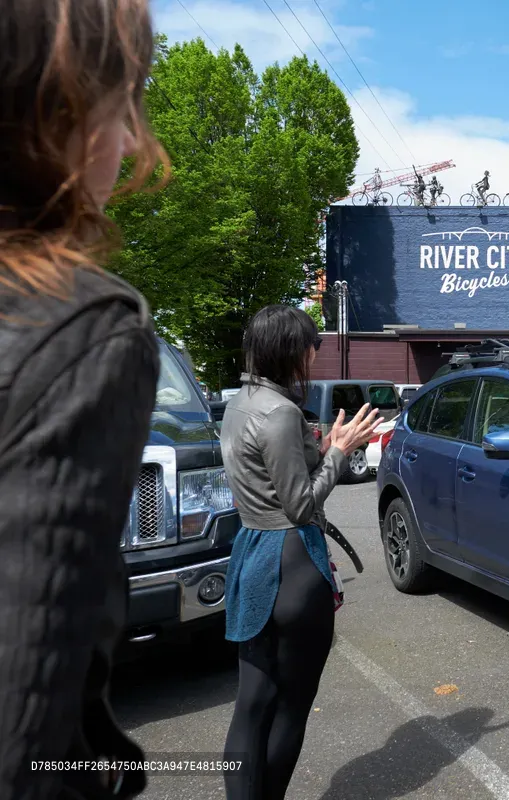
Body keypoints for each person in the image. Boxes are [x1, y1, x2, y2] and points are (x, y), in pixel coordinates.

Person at [0, 1, 169, 797]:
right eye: (122, 101)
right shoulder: (87, 332)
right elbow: (24, 731)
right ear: (55, 104)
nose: (134, 142)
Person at [220, 305, 380, 800]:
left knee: (252, 702)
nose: (315, 357)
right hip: (291, 564)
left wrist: (320, 443)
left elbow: (266, 470)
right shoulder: (283, 411)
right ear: (294, 351)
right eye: (313, 348)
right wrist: (339, 451)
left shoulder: (241, 401)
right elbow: (301, 506)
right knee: (291, 705)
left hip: (250, 553)